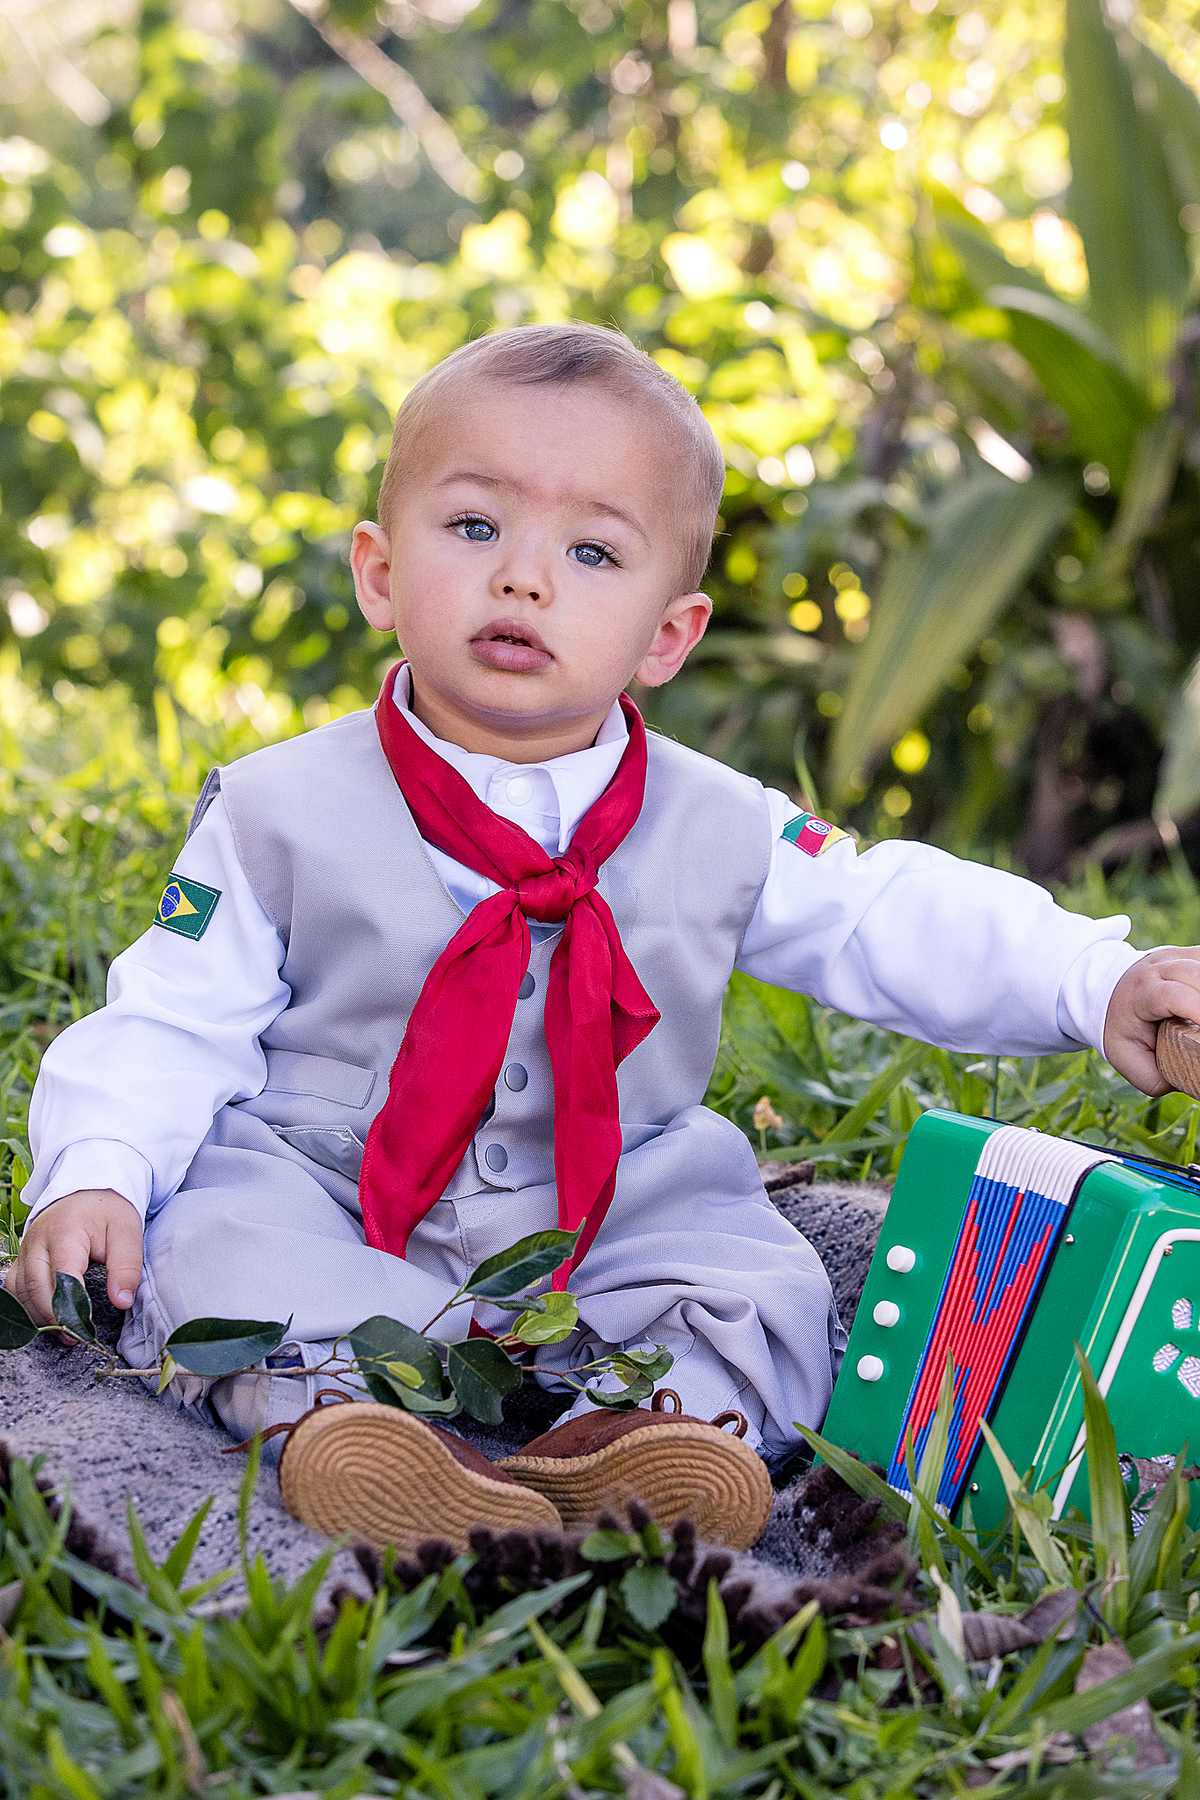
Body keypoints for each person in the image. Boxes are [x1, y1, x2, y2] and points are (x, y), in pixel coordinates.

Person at [9, 323, 1200, 1554]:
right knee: (210, 1248)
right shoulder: (277, 808)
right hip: (329, 1182)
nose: (524, 578)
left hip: (614, 1197)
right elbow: (171, 1016)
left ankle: (634, 1442)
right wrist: (100, 1166)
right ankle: (363, 1428)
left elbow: (885, 915)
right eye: (475, 526)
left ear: (667, 636)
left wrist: (1095, 980)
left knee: (759, 1290)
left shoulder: (719, 823)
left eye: (592, 551)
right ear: (378, 570)